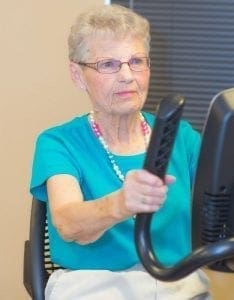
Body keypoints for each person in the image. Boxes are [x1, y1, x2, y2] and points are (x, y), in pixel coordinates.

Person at [30, 4, 210, 300]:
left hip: (178, 284)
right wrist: (122, 203)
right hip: (93, 286)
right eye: (109, 65)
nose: (127, 75)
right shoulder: (58, 142)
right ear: (77, 75)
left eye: (137, 60)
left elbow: (227, 197)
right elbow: (68, 222)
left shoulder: (181, 137)